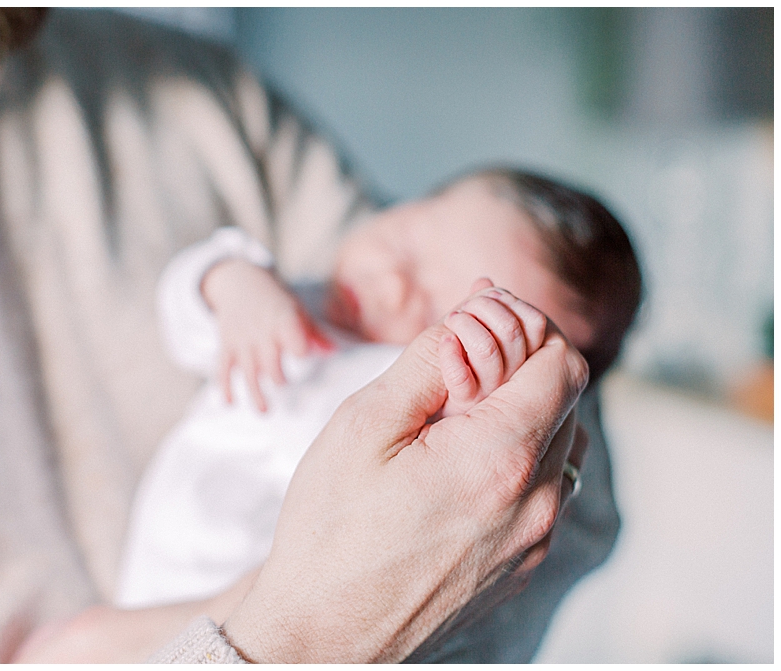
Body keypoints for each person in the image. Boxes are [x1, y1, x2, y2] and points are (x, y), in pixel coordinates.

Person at [0, 7, 590, 663]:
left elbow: (565, 468)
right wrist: (302, 628)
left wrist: (227, 614)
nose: (390, 285)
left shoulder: (205, 98)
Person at [116, 169, 641, 611]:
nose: (389, 283)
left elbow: (448, 487)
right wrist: (230, 283)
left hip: (270, 608)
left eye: (441, 313)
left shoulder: (413, 386)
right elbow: (184, 320)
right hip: (155, 572)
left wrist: (467, 402)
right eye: (407, 241)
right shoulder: (296, 300)